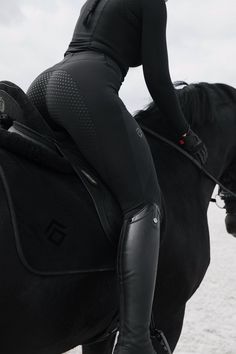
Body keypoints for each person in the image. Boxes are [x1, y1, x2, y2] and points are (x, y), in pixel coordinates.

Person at [27, 0, 208, 353]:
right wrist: (186, 133)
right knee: (144, 204)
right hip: (86, 85)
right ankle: (134, 341)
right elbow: (157, 77)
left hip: (45, 82)